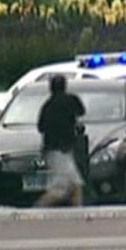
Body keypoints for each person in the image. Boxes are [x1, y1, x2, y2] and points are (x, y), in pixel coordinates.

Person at [35, 75, 86, 207]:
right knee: (62, 188)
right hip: (63, 150)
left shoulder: (48, 105)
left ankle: (78, 213)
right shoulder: (71, 100)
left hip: (52, 149)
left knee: (75, 184)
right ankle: (37, 209)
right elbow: (81, 111)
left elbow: (41, 127)